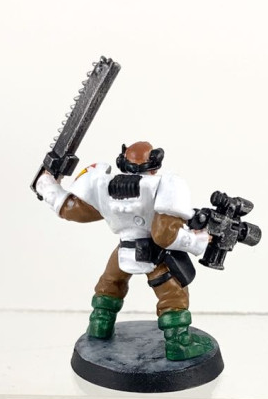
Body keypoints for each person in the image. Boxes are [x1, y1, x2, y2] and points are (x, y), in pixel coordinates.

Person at [34, 141, 213, 360]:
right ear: (154, 164)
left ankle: (99, 327)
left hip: (123, 251)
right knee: (173, 296)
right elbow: (164, 235)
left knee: (109, 285)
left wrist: (46, 184)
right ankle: (179, 344)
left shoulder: (103, 184)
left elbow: (71, 209)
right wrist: (199, 240)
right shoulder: (166, 185)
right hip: (154, 255)